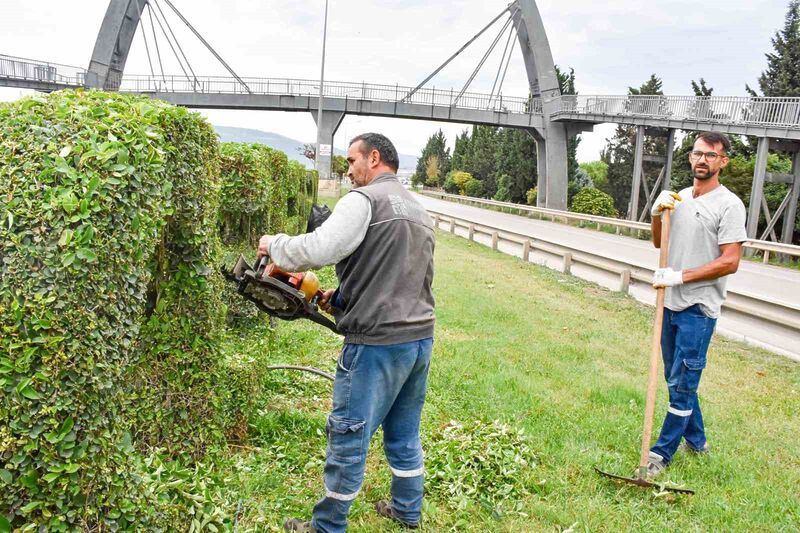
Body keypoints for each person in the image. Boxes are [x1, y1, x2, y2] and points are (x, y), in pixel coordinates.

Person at [257, 133, 436, 532]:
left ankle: (326, 527)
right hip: (418, 338)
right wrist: (342, 297)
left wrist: (275, 245)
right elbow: (399, 275)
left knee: (348, 435)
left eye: (352, 160)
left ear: (374, 158)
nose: (348, 169)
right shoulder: (417, 209)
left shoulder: (364, 200)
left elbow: (322, 247)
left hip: (377, 343)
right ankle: (408, 511)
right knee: (405, 432)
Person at [645, 131, 747, 477]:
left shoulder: (729, 205)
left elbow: (730, 261)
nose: (702, 160)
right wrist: (657, 214)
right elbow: (660, 242)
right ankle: (698, 441)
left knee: (683, 384)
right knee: (678, 381)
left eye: (711, 155)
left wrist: (680, 277)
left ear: (723, 162)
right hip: (669, 304)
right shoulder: (680, 198)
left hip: (698, 309)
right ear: (690, 157)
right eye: (697, 153)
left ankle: (660, 454)